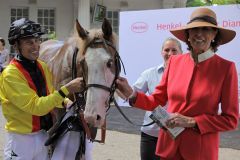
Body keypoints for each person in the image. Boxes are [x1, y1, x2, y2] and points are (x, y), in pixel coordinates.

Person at [116, 7, 239, 160]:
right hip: (168, 149)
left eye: (205, 29)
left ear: (214, 34)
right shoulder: (175, 62)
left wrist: (193, 122)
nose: (199, 34)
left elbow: (231, 120)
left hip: (200, 153)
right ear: (187, 34)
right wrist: (131, 93)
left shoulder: (226, 68)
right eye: (194, 29)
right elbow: (156, 100)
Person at [0, 18, 84, 160]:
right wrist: (66, 90)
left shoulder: (41, 66)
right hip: (21, 140)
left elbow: (50, 95)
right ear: (16, 46)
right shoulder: (10, 74)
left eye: (37, 40)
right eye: (29, 42)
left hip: (43, 135)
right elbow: (36, 106)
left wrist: (64, 102)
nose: (36, 46)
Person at [134, 37, 182, 160]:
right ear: (161, 52)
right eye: (166, 50)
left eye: (174, 50)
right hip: (150, 134)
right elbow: (134, 94)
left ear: (181, 53)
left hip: (176, 134)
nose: (170, 53)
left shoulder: (186, 75)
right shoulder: (149, 73)